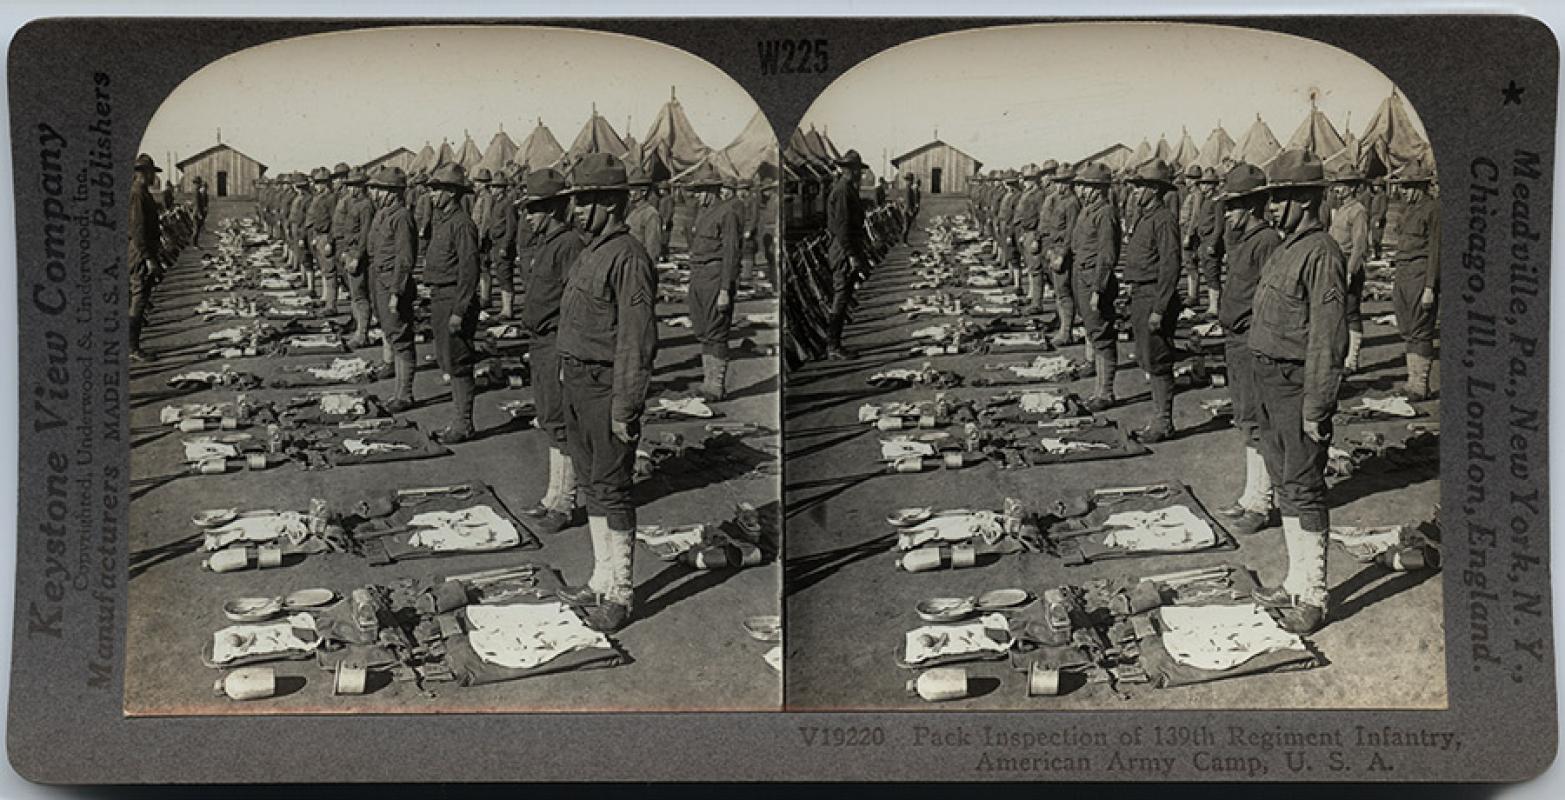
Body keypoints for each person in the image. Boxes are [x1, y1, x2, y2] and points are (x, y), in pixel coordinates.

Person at [555, 153, 659, 632]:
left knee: (614, 489)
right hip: (577, 382)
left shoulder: (629, 257)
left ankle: (620, 593)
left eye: (589, 199)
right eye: (577, 199)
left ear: (614, 202)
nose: (578, 208)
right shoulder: (591, 249)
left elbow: (635, 340)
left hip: (605, 387)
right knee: (593, 483)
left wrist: (626, 405)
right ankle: (600, 579)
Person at [1247, 149, 1349, 635]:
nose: (1272, 208)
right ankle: (1294, 581)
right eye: (1271, 198)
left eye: (1281, 197)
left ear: (1306, 198)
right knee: (1286, 482)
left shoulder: (1323, 252)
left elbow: (1328, 337)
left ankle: (1315, 595)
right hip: (1270, 382)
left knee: (1306, 488)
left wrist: (1317, 406)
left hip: (1295, 387)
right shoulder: (1288, 246)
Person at [1211, 162, 1282, 536]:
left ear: (1253, 206)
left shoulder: (1267, 241)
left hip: (1252, 341)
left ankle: (1262, 502)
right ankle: (1250, 495)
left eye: (1234, 206)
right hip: (1236, 340)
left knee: (1258, 423)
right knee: (1246, 420)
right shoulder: (1245, 241)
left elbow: (1271, 299)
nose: (1228, 213)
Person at [518, 166, 588, 535]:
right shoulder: (547, 244)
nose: (529, 217)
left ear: (553, 209)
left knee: (561, 424)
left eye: (534, 209)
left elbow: (575, 304)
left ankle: (565, 503)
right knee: (549, 419)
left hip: (557, 342)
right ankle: (552, 496)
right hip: (541, 341)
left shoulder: (569, 245)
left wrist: (565, 353)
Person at [1122, 160, 1185, 442]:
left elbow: (1171, 266)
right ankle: (1157, 418)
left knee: (1158, 359)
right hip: (1141, 293)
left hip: (1154, 296)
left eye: (1142, 187)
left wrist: (1160, 308)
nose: (1136, 192)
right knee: (1146, 357)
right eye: (1135, 188)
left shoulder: (1163, 220)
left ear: (1156, 191)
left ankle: (1163, 422)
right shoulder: (1145, 218)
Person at [422, 163, 482, 443]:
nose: (432, 194)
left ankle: (464, 424)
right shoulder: (443, 221)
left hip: (453, 298)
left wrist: (460, 310)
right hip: (440, 296)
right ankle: (457, 421)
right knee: (447, 358)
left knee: (458, 361)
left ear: (452, 192)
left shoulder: (462, 224)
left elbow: (469, 271)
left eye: (437, 190)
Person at [1066, 163, 1122, 410]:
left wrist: (1099, 290)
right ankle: (1099, 390)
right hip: (1082, 276)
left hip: (1095, 281)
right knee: (1092, 332)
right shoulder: (1087, 211)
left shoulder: (1106, 213)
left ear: (1099, 189)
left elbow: (1107, 255)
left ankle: (1106, 392)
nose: (1081, 190)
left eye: (1086, 186)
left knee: (1102, 337)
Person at [686, 164, 744, 400]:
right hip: (699, 276)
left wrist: (724, 289)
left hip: (715, 277)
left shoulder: (727, 212)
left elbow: (731, 252)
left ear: (712, 190)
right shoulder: (702, 213)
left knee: (717, 332)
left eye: (700, 191)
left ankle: (716, 385)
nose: (697, 196)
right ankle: (707, 381)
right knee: (703, 331)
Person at [366, 166, 419, 412]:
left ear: (394, 193)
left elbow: (405, 258)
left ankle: (405, 394)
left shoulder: (402, 217)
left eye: (380, 189)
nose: (375, 193)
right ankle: (399, 392)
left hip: (393, 284)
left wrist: (397, 292)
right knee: (389, 332)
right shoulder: (383, 214)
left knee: (401, 338)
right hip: (380, 280)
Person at [1387, 164, 1440, 399]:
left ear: (1421, 186)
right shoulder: (1409, 210)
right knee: (1407, 328)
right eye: (1402, 187)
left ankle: (1420, 384)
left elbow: (1436, 251)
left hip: (1420, 275)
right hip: (1403, 274)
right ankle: (1412, 382)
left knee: (1421, 329)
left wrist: (1430, 286)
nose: (1404, 192)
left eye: (1408, 187)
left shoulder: (1434, 209)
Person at [823, 150, 868, 360]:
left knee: (844, 294)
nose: (860, 174)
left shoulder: (848, 189)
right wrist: (851, 254)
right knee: (841, 296)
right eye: (857, 170)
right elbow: (842, 227)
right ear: (851, 170)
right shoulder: (842, 191)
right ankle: (833, 345)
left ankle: (835, 343)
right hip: (842, 249)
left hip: (846, 247)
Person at [1327, 168, 1372, 372]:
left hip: (1349, 265)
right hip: (1336, 263)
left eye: (1342, 185)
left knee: (1351, 312)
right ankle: (1340, 355)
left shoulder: (1358, 211)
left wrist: (1350, 272)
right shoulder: (1341, 209)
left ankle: (1352, 360)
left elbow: (1359, 245)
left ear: (1353, 188)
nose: (1338, 189)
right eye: (1337, 185)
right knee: (1337, 311)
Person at [127, 153, 165, 363]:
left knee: (140, 298)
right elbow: (138, 230)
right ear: (144, 173)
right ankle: (132, 347)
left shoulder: (143, 193)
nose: (154, 177)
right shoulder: (137, 194)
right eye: (151, 172)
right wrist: (149, 258)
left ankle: (133, 344)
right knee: (139, 299)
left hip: (142, 254)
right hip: (140, 256)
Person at [335, 167, 377, 348]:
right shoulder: (352, 204)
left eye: (356, 186)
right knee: (354, 294)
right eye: (350, 186)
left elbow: (365, 234)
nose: (352, 190)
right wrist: (345, 251)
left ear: (363, 186)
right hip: (350, 251)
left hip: (358, 254)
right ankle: (359, 329)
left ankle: (362, 334)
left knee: (360, 296)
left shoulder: (366, 206)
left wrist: (357, 257)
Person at [1044, 163, 1081, 346]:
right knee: (1059, 292)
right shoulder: (1059, 201)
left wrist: (1062, 255)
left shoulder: (1072, 203)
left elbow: (1071, 232)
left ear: (1069, 184)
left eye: (1062, 183)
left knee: (1064, 293)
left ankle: (1066, 332)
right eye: (1057, 182)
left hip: (1063, 252)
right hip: (1055, 248)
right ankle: (1063, 328)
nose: (1058, 186)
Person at [1012, 163, 1047, 313]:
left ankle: (1037, 302)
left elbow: (1042, 218)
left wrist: (1036, 238)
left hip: (1033, 232)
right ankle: (1032, 296)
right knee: (1031, 267)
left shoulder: (1039, 195)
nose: (1025, 181)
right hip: (1025, 231)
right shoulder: (1026, 193)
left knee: (1036, 269)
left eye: (1028, 179)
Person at [305, 166, 340, 313]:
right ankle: (326, 299)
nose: (317, 185)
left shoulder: (331, 199)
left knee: (330, 271)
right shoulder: (318, 197)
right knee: (324, 270)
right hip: (318, 235)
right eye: (316, 182)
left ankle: (331, 305)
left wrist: (330, 241)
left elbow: (335, 221)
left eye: (321, 183)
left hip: (326, 236)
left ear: (327, 183)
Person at [484, 170, 518, 319]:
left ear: (501, 189)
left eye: (495, 187)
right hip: (496, 243)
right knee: (500, 274)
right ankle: (505, 308)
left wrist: (505, 246)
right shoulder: (496, 203)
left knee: (505, 275)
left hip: (503, 245)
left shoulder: (507, 204)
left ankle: (507, 309)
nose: (492, 189)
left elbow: (511, 227)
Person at [626, 172, 665, 271]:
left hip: (640, 266)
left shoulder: (651, 214)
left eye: (632, 190)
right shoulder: (631, 212)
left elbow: (653, 248)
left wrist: (647, 271)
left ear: (643, 192)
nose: (629, 193)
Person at [1367, 180, 1389, 260]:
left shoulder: (1383, 196)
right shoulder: (1377, 195)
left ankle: (1378, 254)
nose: (1374, 187)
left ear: (1380, 186)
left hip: (1378, 218)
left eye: (1376, 186)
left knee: (1377, 238)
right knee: (1374, 238)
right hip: (1374, 217)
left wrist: (1379, 219)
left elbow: (1383, 209)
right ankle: (1376, 253)